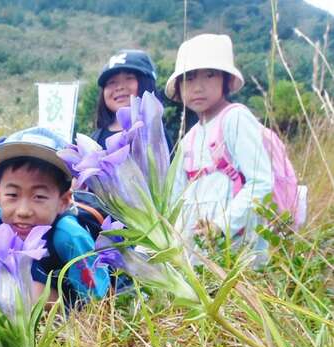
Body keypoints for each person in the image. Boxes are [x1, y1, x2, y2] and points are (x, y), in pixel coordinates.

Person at [166, 33, 273, 267]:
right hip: (201, 249)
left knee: (236, 299)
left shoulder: (235, 118)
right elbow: (176, 198)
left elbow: (261, 182)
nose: (198, 87)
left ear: (225, 79)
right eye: (189, 78)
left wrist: (221, 226)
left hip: (237, 244)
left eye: (210, 75)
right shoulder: (189, 138)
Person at [0, 128, 110, 305]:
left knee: (35, 293)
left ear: (63, 201)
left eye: (39, 197)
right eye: (12, 195)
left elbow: (99, 302)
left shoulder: (69, 237)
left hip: (67, 305)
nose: (23, 211)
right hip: (20, 298)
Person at [92, 50, 159, 148]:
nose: (119, 87)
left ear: (147, 83)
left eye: (129, 78)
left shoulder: (156, 132)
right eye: (111, 82)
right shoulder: (93, 140)